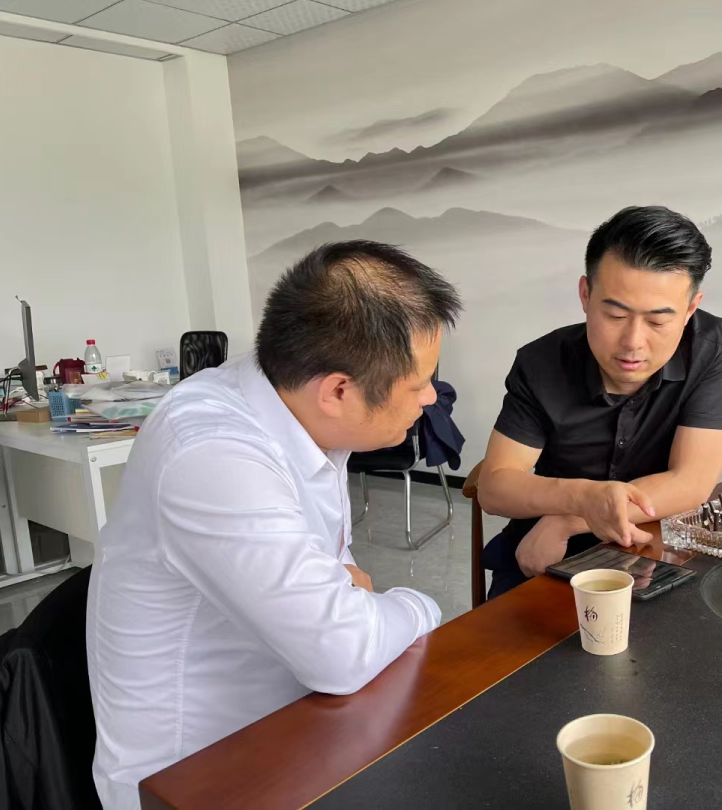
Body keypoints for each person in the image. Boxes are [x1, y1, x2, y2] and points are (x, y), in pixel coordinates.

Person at [86, 242, 461, 809]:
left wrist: (346, 604)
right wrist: (419, 605)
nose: (431, 398)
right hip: (196, 775)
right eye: (419, 384)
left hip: (297, 719)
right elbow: (341, 650)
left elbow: (341, 595)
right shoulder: (212, 453)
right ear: (338, 391)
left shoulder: (292, 401)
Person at [478, 206, 722, 598]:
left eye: (657, 321)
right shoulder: (541, 363)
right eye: (615, 315)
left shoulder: (713, 348)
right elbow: (495, 487)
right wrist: (584, 499)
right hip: (542, 553)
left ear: (690, 309)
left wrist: (569, 519)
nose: (633, 342)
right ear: (585, 295)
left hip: (649, 550)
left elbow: (691, 482)